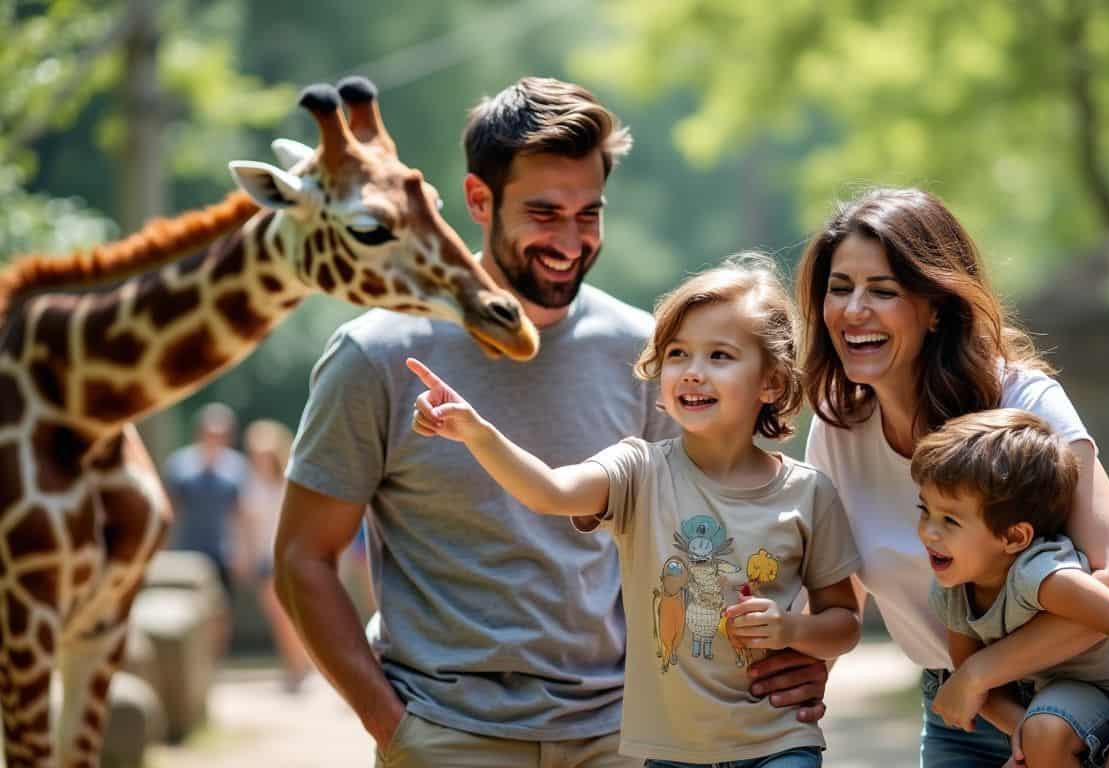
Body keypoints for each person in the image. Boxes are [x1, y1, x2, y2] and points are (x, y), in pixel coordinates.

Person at [274, 77, 831, 768]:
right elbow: (302, 558)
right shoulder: (376, 356)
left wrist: (803, 651)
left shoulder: (648, 354)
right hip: (449, 733)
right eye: (544, 212)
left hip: (623, 736)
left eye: (588, 213)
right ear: (479, 200)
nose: (570, 240)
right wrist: (393, 727)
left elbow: (726, 528)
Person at [408, 255, 862, 767]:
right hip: (671, 754)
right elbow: (549, 492)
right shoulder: (638, 471)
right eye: (677, 353)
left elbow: (843, 620)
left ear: (772, 382)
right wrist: (476, 433)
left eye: (719, 356)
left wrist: (791, 630)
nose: (692, 372)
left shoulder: (808, 492)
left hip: (778, 745)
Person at [797, 187, 1109, 767]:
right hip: (963, 706)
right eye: (839, 289)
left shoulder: (1022, 400)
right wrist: (791, 683)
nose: (853, 309)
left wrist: (986, 669)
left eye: (883, 291)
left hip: (1096, 692)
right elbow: (843, 588)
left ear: (936, 305)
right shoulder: (835, 432)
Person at [912, 409, 1109, 767]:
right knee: (1043, 732)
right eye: (924, 510)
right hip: (1076, 696)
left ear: (1013, 536)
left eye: (949, 520)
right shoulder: (953, 595)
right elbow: (976, 686)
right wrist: (1027, 748)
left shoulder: (1041, 574)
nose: (928, 531)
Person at [239, 418, 313, 692]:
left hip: (285, 557)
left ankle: (298, 667)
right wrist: (243, 555)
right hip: (262, 559)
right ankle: (295, 665)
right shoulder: (249, 483)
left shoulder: (289, 481)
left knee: (288, 616)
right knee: (278, 617)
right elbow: (244, 524)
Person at [164, 402, 249, 602]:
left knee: (222, 607)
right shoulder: (179, 465)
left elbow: (239, 513)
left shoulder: (237, 468)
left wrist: (242, 551)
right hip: (187, 550)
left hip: (221, 553)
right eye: (211, 433)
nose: (216, 439)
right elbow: (171, 509)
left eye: (222, 434)